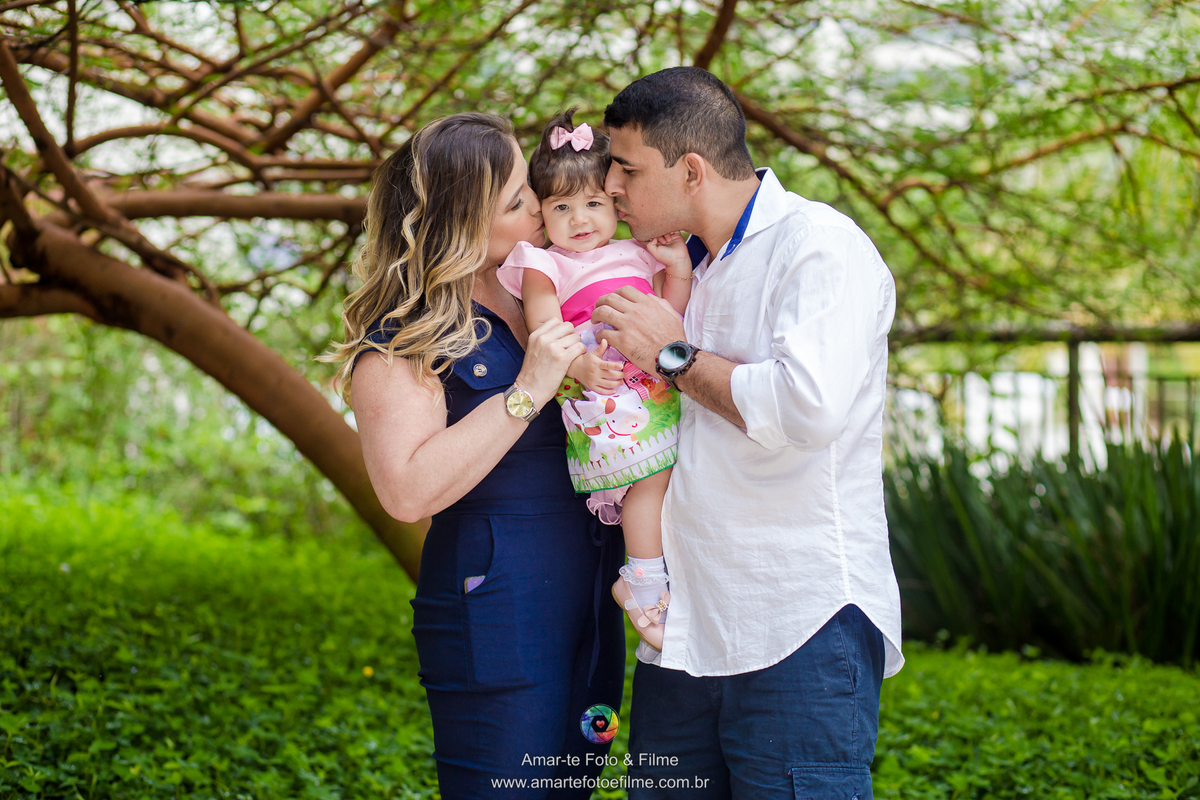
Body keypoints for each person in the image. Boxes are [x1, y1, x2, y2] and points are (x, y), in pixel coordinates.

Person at [591, 67, 905, 799]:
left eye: (628, 168)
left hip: (795, 622)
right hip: (681, 631)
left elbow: (807, 409)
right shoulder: (674, 267)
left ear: (691, 170)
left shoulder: (819, 247)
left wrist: (672, 356)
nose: (610, 186)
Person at [324, 113, 626, 798]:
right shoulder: (402, 342)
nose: (543, 210)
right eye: (519, 201)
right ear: (464, 222)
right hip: (497, 617)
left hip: (590, 609)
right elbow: (405, 492)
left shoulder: (544, 292)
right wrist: (526, 392)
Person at [496, 109, 692, 650]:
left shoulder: (635, 251)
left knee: (669, 481)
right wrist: (577, 365)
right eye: (561, 206)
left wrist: (676, 269)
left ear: (614, 204)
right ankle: (642, 581)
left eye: (593, 204)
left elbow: (670, 320)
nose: (580, 219)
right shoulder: (543, 264)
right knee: (648, 483)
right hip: (604, 395)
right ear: (541, 210)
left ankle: (654, 574)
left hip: (653, 388)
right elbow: (544, 329)